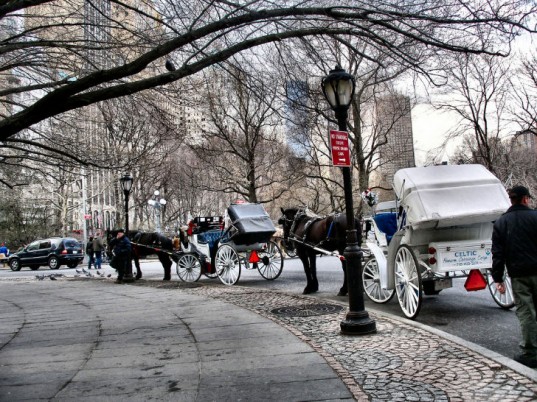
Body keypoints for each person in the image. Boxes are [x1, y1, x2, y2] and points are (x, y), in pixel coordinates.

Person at [491, 185, 537, 368]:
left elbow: (498, 254)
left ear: (511, 200)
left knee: (526, 313)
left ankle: (531, 353)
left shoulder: (502, 223)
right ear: (525, 199)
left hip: (519, 275)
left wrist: (498, 278)